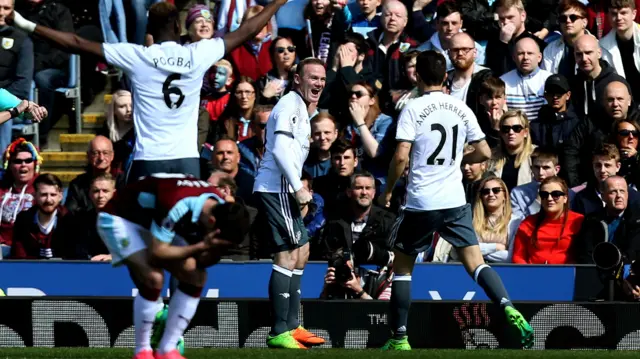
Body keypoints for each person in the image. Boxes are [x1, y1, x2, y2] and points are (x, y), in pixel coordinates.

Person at [7, 0, 289, 183]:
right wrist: (277, 3)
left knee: (139, 240)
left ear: (150, 30)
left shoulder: (137, 55)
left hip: (148, 161)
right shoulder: (199, 53)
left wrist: (25, 24)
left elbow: (76, 42)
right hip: (186, 160)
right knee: (182, 243)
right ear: (179, 26)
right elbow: (248, 29)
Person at [377, 51, 533, 350]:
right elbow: (485, 152)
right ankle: (506, 304)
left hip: (422, 201)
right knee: (475, 264)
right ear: (445, 76)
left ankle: (399, 338)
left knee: (404, 268)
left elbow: (400, 156)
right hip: (454, 201)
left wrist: (388, 190)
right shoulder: (460, 108)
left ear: (418, 76)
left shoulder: (413, 107)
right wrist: (456, 161)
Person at [96, 174, 251, 359]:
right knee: (154, 277)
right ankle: (142, 351)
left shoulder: (218, 206)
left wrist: (212, 250)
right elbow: (157, 253)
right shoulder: (177, 202)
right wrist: (203, 246)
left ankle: (167, 349)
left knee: (197, 276)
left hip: (151, 223)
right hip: (119, 218)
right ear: (211, 223)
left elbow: (203, 262)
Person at [253, 57, 327, 349]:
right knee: (286, 254)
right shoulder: (289, 105)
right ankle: (279, 330)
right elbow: (281, 147)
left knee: (302, 251)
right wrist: (298, 188)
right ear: (297, 78)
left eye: (321, 79)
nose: (318, 83)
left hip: (285, 188)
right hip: (277, 188)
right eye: (312, 77)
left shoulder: (300, 108)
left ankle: (294, 325)